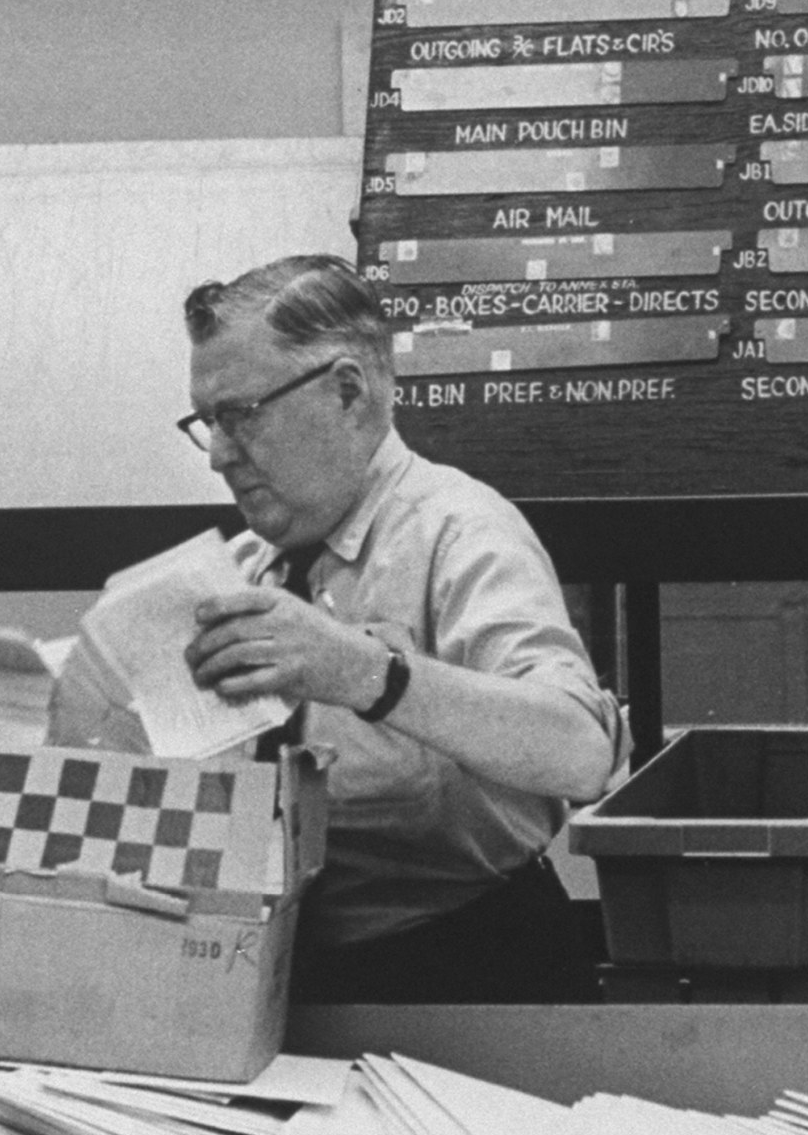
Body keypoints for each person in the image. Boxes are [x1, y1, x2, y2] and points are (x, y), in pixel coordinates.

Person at [178, 254, 625, 1001]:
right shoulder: (245, 570)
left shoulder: (461, 530)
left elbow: (581, 751)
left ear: (348, 391)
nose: (221, 454)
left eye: (240, 415)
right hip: (281, 977)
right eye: (207, 422)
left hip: (467, 973)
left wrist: (365, 673)